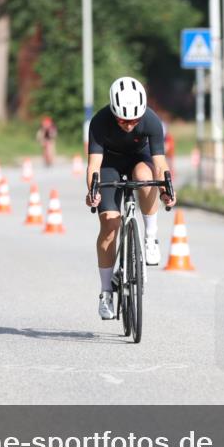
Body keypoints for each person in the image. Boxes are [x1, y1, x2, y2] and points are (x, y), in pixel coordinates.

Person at [85, 77, 175, 320]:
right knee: (110, 225)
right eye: (124, 120)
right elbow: (94, 164)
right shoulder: (100, 122)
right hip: (109, 164)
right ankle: (106, 292)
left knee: (145, 176)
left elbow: (159, 163)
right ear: (114, 113)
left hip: (139, 158)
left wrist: (167, 189)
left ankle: (150, 237)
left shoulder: (151, 121)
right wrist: (92, 191)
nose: (129, 124)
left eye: (134, 120)